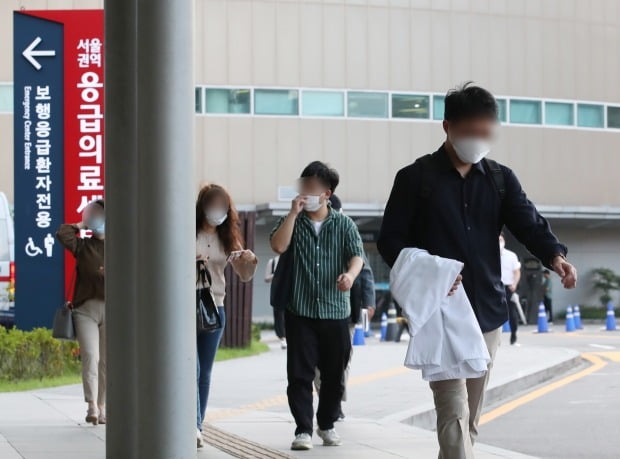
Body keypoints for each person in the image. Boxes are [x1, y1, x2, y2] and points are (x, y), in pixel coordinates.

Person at [377, 82, 577, 459]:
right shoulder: (415, 178)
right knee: (452, 410)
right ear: (447, 127)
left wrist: (555, 257)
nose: (479, 140)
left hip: (486, 310)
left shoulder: (500, 180)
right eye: (471, 132)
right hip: (440, 312)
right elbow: (391, 241)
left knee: (469, 418)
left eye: (486, 133)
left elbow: (529, 224)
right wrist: (431, 271)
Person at [270, 161, 364, 451]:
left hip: (336, 310)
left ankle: (327, 424)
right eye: (303, 186)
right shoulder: (294, 221)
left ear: (327, 193)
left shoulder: (344, 224)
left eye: (311, 188)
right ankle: (303, 429)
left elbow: (357, 256)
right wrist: (292, 213)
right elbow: (278, 246)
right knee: (299, 374)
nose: (305, 192)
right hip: (300, 311)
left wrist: (349, 275)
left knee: (335, 375)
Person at [195, 184, 258, 447]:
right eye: (212, 205)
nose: (217, 211)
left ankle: (197, 424)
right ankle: (191, 424)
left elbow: (244, 277)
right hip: (185, 304)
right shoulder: (186, 231)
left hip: (214, 305)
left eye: (222, 206)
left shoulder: (229, 237)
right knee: (191, 367)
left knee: (205, 371)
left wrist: (248, 261)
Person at [313, 194, 376, 421]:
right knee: (317, 363)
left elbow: (365, 272)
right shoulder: (310, 230)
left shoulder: (348, 231)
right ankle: (327, 399)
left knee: (341, 360)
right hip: (314, 309)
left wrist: (369, 302)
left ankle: (335, 402)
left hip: (346, 309)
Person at [56, 200, 106, 426]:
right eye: (95, 215)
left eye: (102, 216)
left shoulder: (121, 246)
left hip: (113, 309)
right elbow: (62, 233)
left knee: (107, 361)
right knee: (91, 357)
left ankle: (103, 405)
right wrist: (81, 224)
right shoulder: (83, 246)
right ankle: (91, 405)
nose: (98, 219)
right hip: (85, 309)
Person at [499, 233, 521, 345]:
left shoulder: (511, 255)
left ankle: (513, 336)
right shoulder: (488, 254)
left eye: (501, 239)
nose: (499, 242)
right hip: (494, 287)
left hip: (508, 288)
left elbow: (516, 271)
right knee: (494, 313)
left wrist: (514, 284)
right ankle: (495, 340)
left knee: (512, 313)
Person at [265, 255, 287, 349]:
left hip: (290, 291)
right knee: (279, 316)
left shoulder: (293, 259)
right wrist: (277, 275)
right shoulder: (272, 261)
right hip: (277, 292)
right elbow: (266, 278)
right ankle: (283, 339)